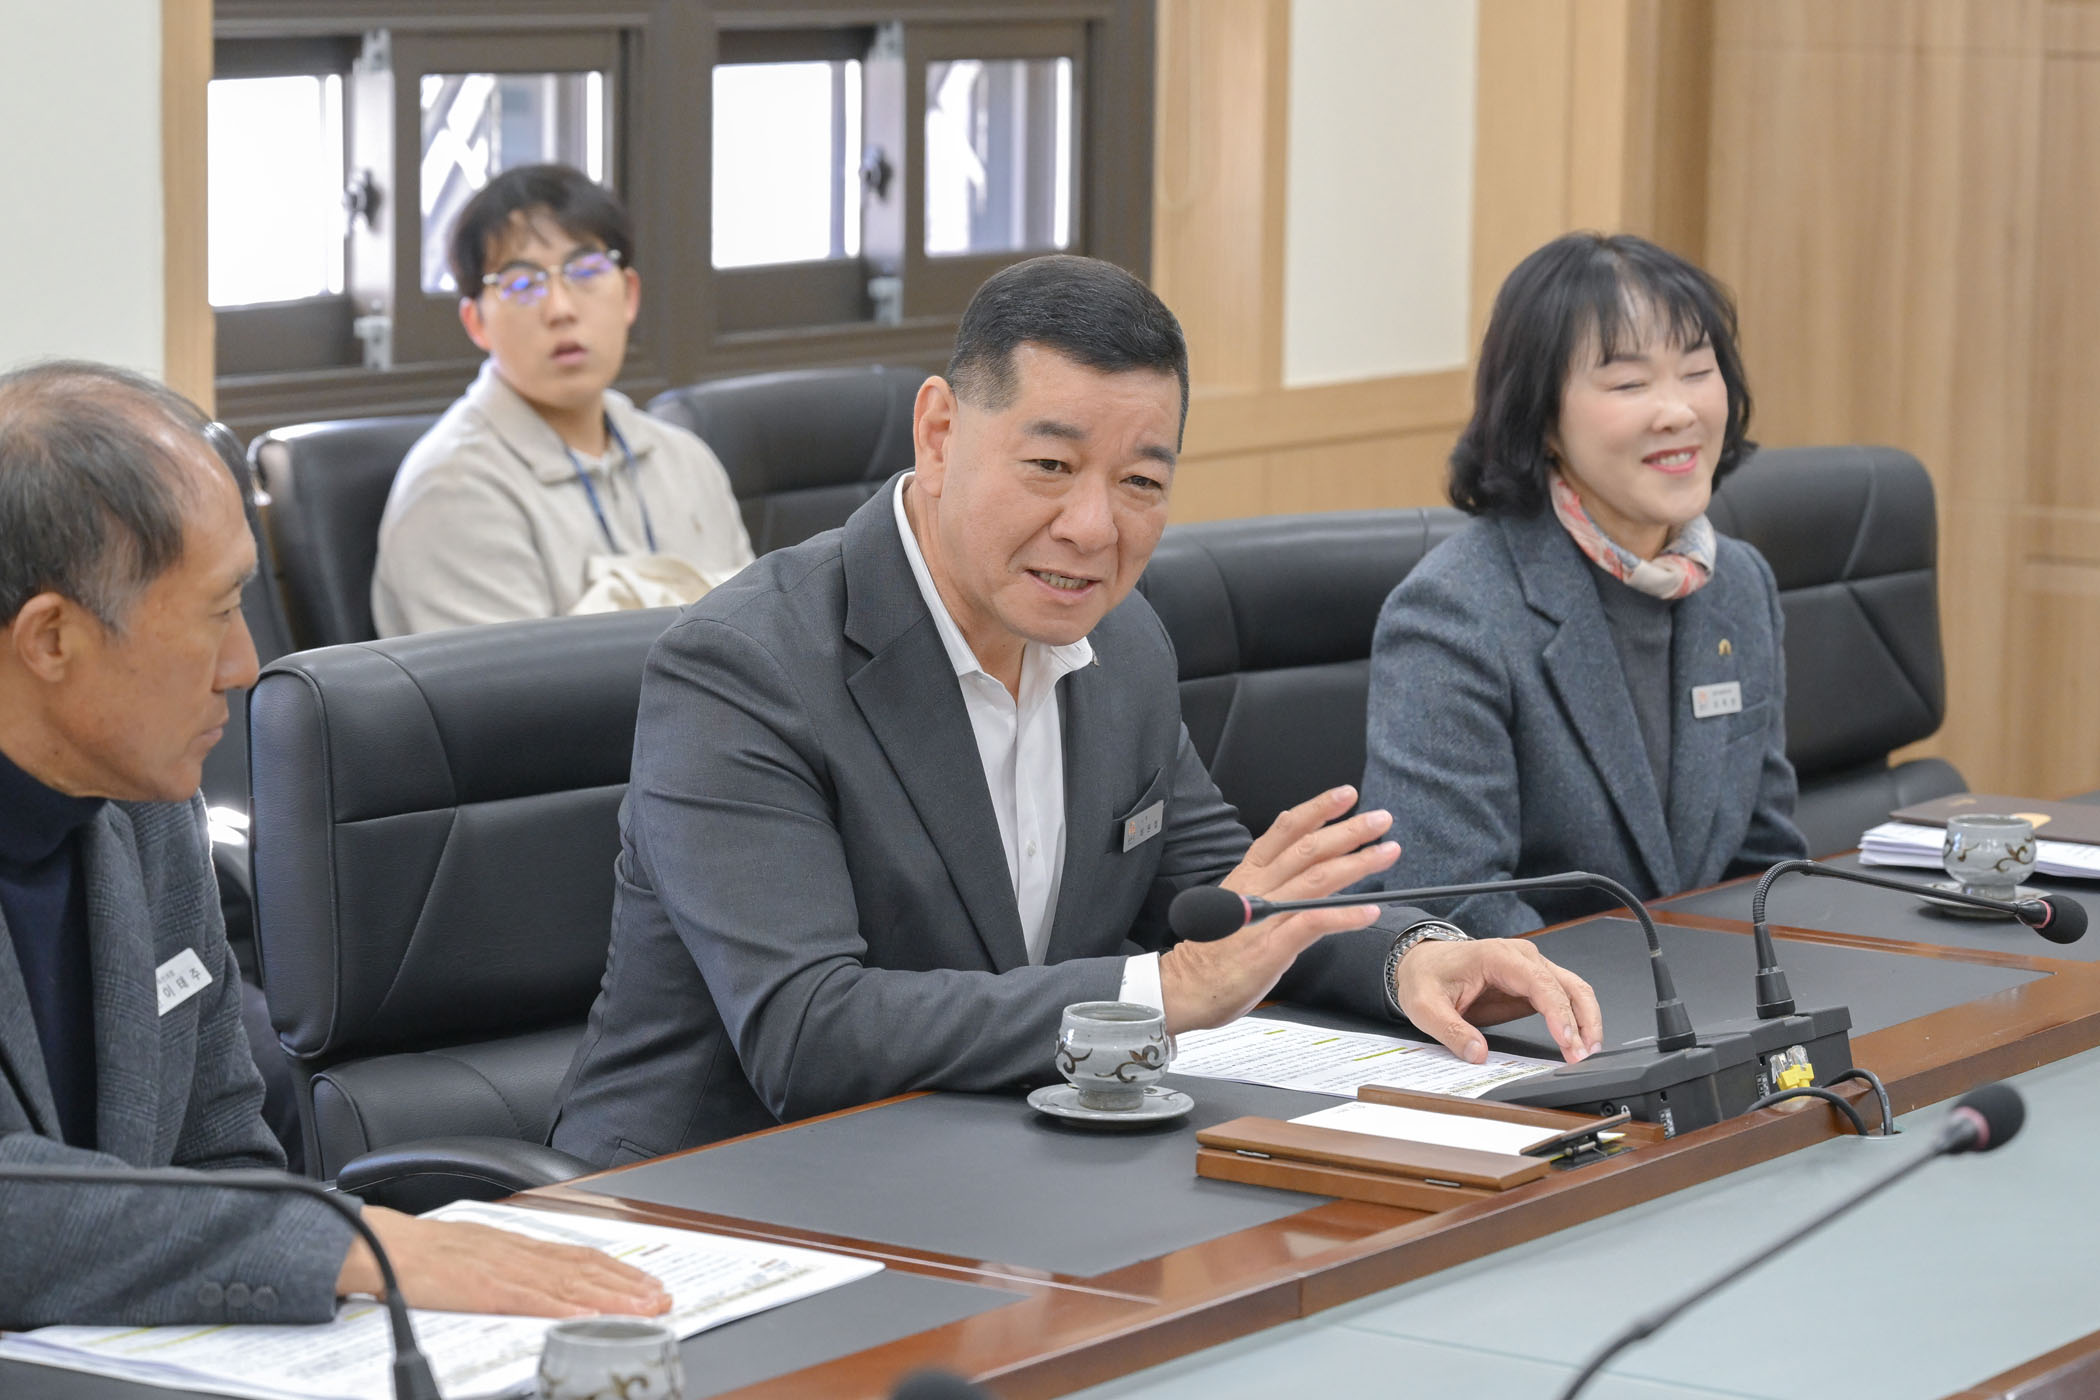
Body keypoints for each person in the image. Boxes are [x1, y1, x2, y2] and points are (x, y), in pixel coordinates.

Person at [549, 256, 1604, 1167]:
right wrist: (1163, 991)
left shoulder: (1124, 640)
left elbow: (1226, 901)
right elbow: (808, 1032)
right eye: (1050, 467)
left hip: (991, 1164)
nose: (1094, 528)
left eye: (1141, 481)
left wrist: (1415, 956)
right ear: (939, 433)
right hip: (706, 1203)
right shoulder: (743, 666)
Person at [0, 361, 670, 1328]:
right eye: (217, 613)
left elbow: (222, 1155)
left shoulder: (142, 803)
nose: (244, 665)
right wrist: (348, 1244)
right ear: (51, 640)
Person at [1358, 232, 1808, 937]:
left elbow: (1764, 860)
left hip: (1711, 985)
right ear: (1542, 420)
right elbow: (1454, 903)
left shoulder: (1738, 584)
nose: (1678, 411)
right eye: (1630, 384)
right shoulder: (1454, 612)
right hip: (1543, 996)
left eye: (1698, 370)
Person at [371, 164, 754, 636]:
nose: (561, 308)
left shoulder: (686, 460)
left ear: (629, 295)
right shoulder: (452, 491)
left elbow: (759, 643)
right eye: (522, 283)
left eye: (586, 270)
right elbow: (514, 682)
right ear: (476, 322)